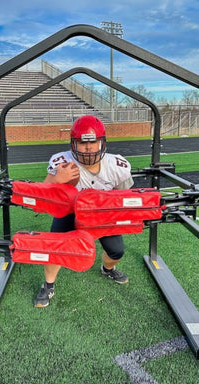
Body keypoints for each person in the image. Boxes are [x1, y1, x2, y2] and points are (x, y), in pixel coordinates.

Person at [34, 115, 134, 308]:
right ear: (74, 144)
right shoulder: (62, 163)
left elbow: (124, 197)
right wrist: (56, 180)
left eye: (93, 142)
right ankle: (48, 285)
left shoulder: (116, 166)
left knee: (117, 251)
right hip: (69, 211)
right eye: (82, 143)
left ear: (101, 143)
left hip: (103, 213)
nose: (88, 148)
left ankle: (107, 269)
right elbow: (41, 195)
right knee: (55, 247)